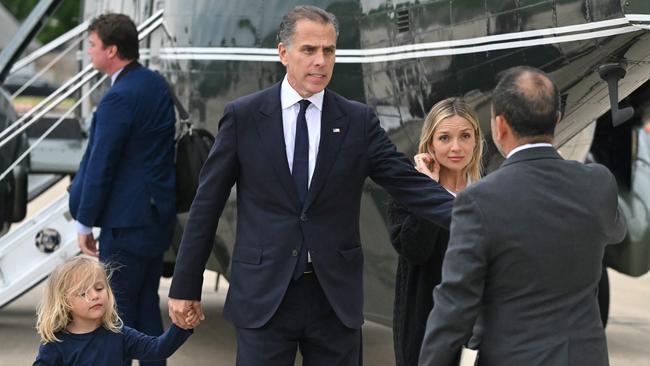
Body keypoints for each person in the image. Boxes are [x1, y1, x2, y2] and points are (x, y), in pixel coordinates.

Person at [167, 5, 454, 365]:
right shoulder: (244, 117)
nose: (321, 61)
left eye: (329, 50)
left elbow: (409, 184)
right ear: (283, 52)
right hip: (264, 297)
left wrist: (481, 217)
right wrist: (184, 285)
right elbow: (207, 205)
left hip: (333, 300)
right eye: (309, 50)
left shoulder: (356, 120)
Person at [418, 66, 627, 366]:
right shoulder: (598, 182)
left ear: (499, 126)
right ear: (556, 120)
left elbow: (454, 307)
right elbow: (616, 232)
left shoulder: (479, 200)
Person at [68, 13, 176, 366]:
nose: (88, 51)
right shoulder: (155, 83)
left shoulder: (119, 97)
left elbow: (102, 163)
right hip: (155, 218)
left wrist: (84, 222)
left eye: (93, 45)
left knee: (116, 318)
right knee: (145, 312)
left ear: (112, 50)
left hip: (127, 225)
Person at [388, 97, 483, 366]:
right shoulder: (409, 195)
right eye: (444, 138)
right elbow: (414, 251)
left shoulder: (487, 193)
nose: (456, 147)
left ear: (476, 140)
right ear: (430, 144)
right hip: (424, 330)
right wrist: (429, 192)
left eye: (465, 136)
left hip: (477, 331)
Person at [33, 256, 192, 365]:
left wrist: (182, 325)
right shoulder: (55, 344)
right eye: (83, 293)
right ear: (64, 302)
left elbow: (157, 349)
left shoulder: (120, 334)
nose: (95, 295)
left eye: (99, 288)